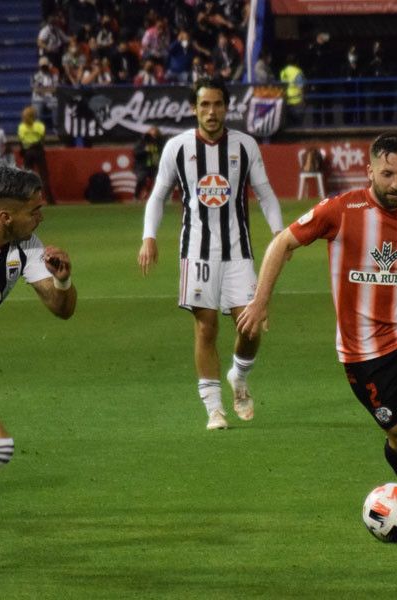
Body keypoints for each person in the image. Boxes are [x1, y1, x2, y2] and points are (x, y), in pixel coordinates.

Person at [236, 132, 397, 519]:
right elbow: (282, 243)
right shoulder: (339, 209)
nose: (396, 184)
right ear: (369, 169)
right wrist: (260, 300)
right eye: (387, 174)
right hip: (363, 354)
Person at [138, 77, 284, 430]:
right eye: (204, 105)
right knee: (206, 329)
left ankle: (239, 375)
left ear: (226, 107)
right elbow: (158, 195)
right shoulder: (177, 147)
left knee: (250, 328)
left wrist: (281, 234)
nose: (211, 111)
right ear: (194, 108)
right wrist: (149, 236)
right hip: (197, 253)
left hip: (238, 252)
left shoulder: (245, 146)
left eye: (217, 104)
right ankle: (214, 409)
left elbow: (265, 193)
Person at [0, 164, 78, 470]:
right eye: (34, 211)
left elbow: (62, 309)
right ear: (6, 217)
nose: (41, 217)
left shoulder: (27, 245)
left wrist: (62, 280)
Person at [18, 106, 55, 205]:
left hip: (28, 152)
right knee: (44, 176)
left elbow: (22, 140)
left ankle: (26, 199)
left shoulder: (22, 127)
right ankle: (49, 199)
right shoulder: (39, 126)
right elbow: (42, 138)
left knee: (27, 177)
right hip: (38, 151)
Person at [133, 126, 163, 201]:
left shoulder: (159, 142)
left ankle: (154, 196)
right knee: (141, 178)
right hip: (142, 166)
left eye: (155, 135)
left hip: (155, 166)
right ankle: (136, 196)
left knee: (158, 180)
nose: (153, 137)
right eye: (151, 134)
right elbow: (136, 153)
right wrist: (145, 150)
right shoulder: (142, 142)